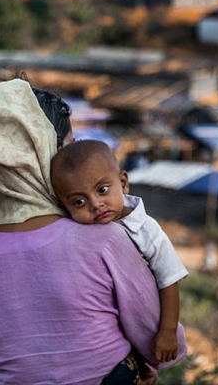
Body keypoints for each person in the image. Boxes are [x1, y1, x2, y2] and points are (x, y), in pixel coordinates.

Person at [0, 78, 187, 384]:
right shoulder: (103, 237)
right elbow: (159, 343)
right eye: (67, 149)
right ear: (34, 152)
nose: (75, 163)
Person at [50, 139, 189, 364]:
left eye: (102, 190)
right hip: (106, 333)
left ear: (123, 183)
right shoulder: (76, 235)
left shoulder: (147, 230)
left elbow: (169, 280)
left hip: (148, 328)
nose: (95, 204)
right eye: (78, 201)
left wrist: (168, 331)